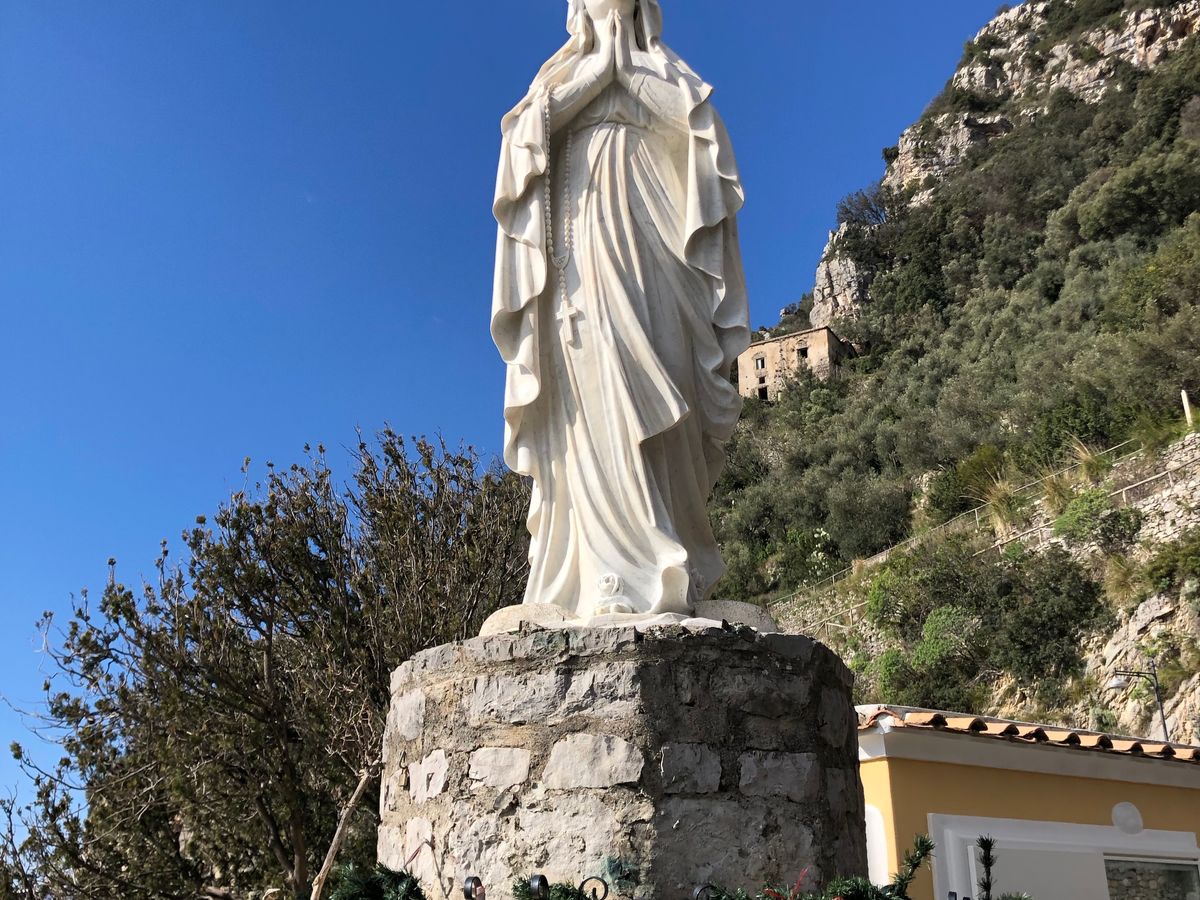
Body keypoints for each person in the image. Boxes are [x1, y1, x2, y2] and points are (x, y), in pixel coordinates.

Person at [491, 0, 750, 618]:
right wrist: (597, 72)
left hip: (660, 235)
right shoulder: (556, 77)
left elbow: (701, 135)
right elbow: (523, 141)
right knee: (592, 374)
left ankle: (675, 557)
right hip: (582, 241)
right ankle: (607, 570)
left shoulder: (668, 72)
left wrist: (627, 71)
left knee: (668, 366)